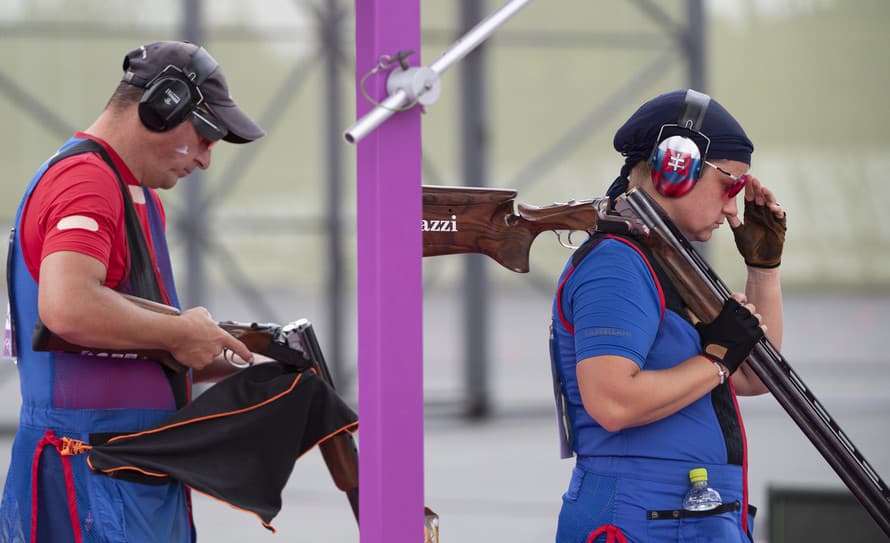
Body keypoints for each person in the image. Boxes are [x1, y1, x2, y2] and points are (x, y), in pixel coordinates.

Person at [1, 41, 264, 542]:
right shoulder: (87, 183)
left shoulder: (127, 191)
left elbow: (117, 341)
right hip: (95, 477)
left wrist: (216, 351)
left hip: (121, 469)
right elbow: (68, 308)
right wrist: (178, 332)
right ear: (162, 106)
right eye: (206, 136)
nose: (207, 160)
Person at [549, 89, 786, 542]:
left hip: (674, 516)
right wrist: (715, 359)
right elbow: (613, 401)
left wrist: (764, 268)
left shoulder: (665, 260)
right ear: (676, 166)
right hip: (644, 518)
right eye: (730, 184)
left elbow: (757, 375)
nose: (734, 208)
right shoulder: (617, 264)